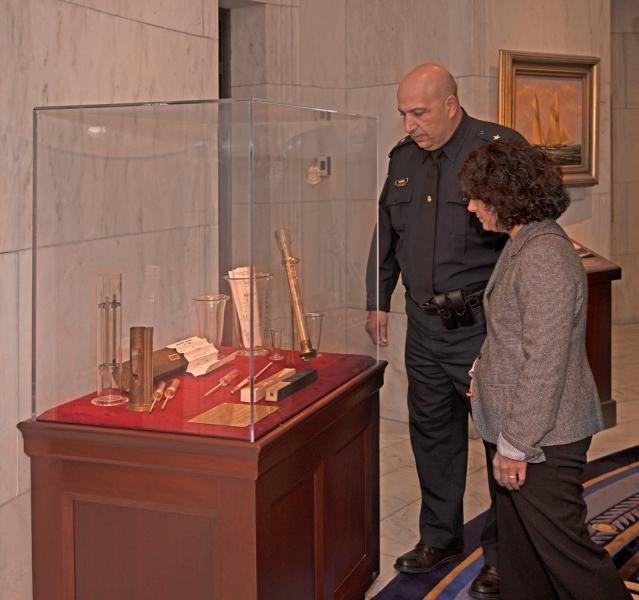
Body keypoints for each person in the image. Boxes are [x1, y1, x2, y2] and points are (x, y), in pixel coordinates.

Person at [365, 63, 525, 599]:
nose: (409, 124)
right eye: (403, 114)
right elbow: (385, 233)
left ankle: (505, 558)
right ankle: (440, 538)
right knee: (432, 435)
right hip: (424, 327)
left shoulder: (496, 150)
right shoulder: (403, 160)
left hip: (483, 326)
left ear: (452, 104)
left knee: (500, 443)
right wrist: (377, 300)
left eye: (419, 112)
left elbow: (527, 240)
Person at [459, 139, 631, 600]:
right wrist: (482, 369)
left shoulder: (544, 254)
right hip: (527, 427)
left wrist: (516, 446)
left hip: (545, 437)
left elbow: (547, 360)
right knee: (522, 553)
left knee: (567, 555)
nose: (471, 205)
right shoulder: (524, 242)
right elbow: (515, 335)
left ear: (506, 194)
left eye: (478, 195)